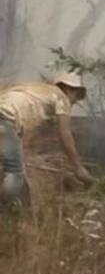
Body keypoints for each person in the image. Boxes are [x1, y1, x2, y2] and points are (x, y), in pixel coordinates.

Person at [0, 72, 94, 208]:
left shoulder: (33, 89)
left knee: (14, 169)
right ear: (68, 89)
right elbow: (65, 135)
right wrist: (78, 167)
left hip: (6, 121)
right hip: (4, 120)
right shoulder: (61, 97)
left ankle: (19, 213)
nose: (75, 101)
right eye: (76, 95)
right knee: (14, 171)